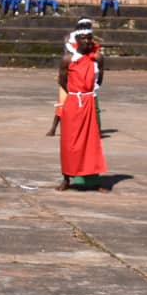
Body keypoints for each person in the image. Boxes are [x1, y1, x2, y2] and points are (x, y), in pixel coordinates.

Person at [57, 28, 107, 191]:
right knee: (69, 142)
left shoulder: (97, 58)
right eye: (83, 38)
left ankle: (94, 180)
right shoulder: (67, 59)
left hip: (88, 101)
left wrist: (87, 93)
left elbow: (100, 79)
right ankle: (66, 178)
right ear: (76, 39)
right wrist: (74, 93)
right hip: (73, 102)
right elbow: (62, 80)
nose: (87, 41)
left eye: (89, 38)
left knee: (91, 142)